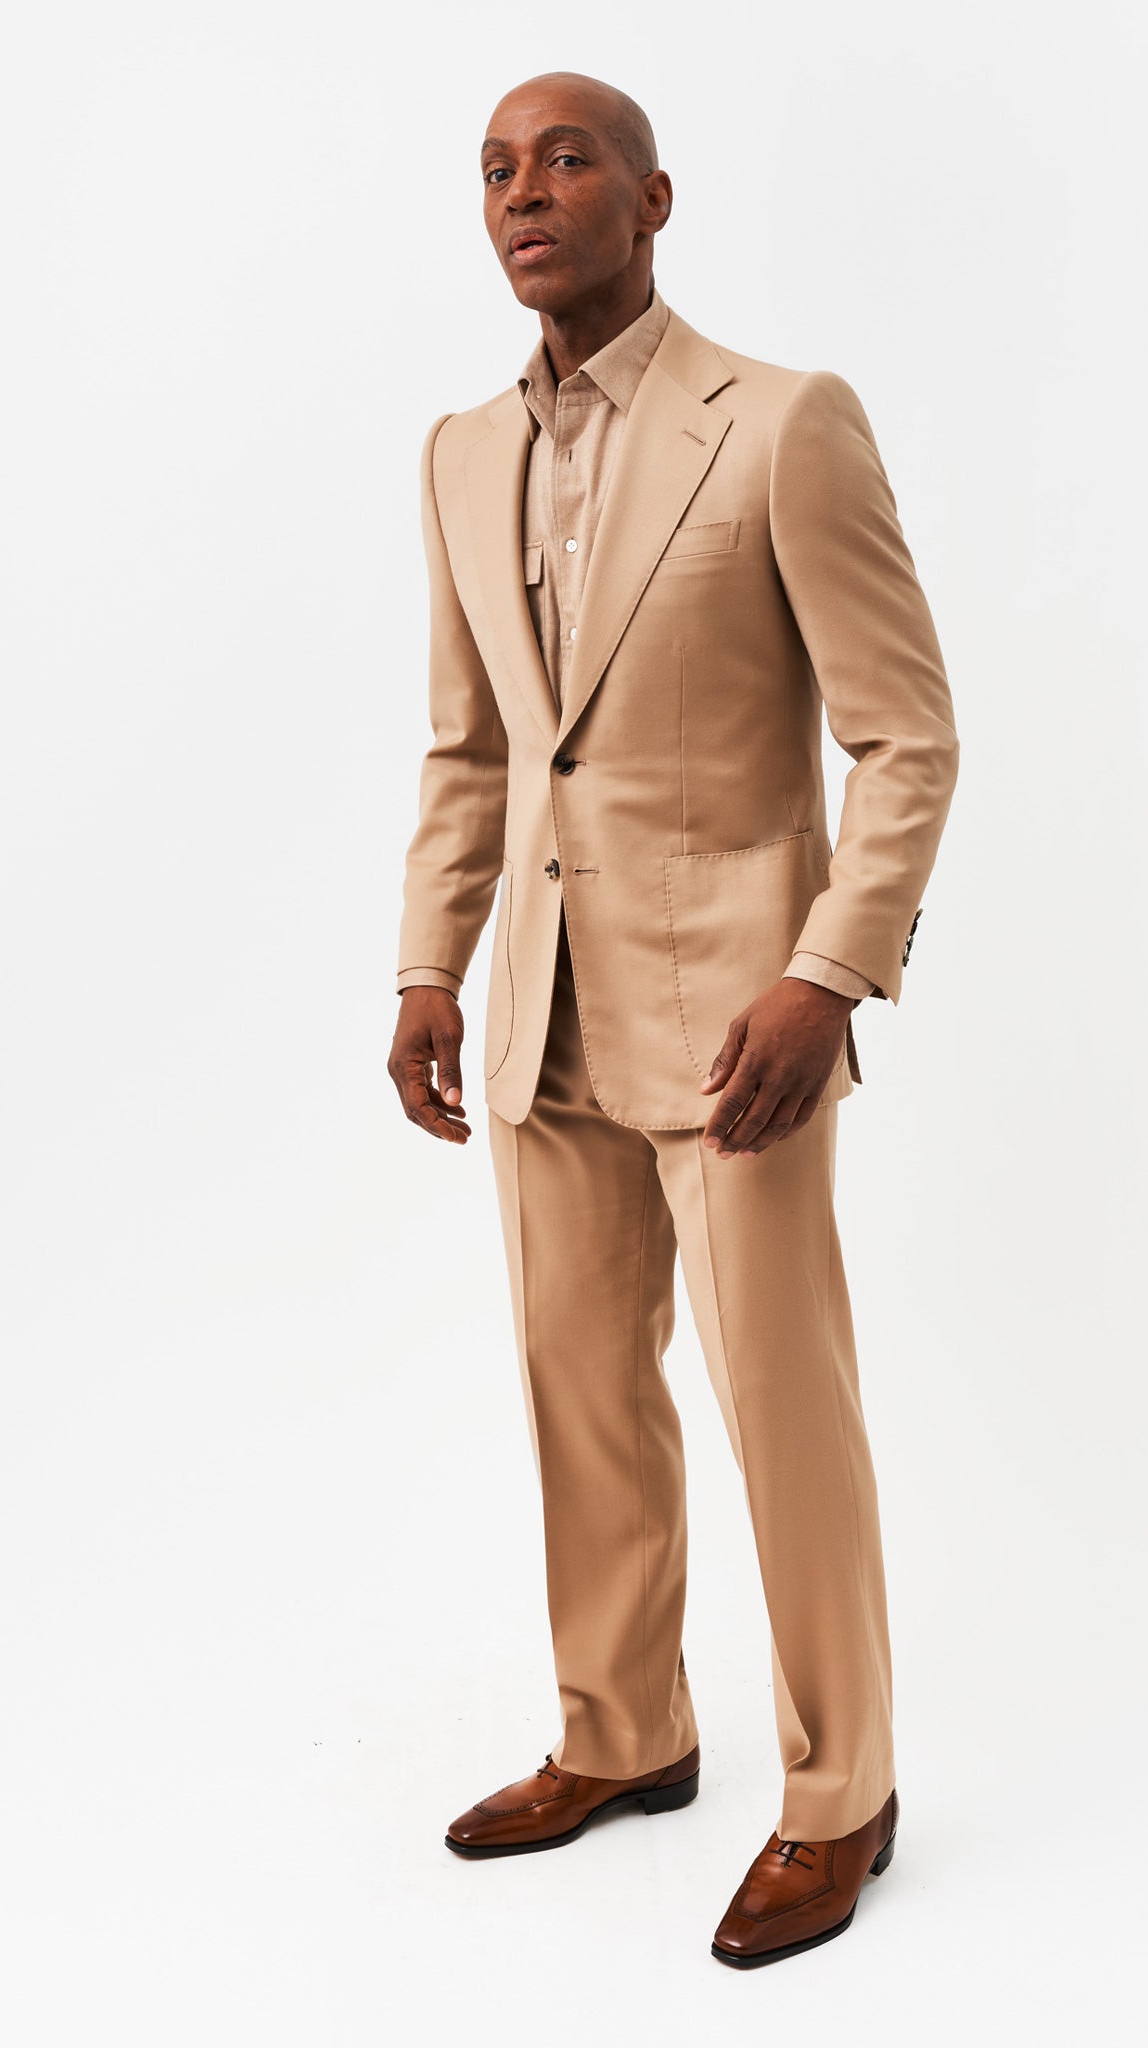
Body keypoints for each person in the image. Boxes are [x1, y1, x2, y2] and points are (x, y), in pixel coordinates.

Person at [387, 70, 959, 1968]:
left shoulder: (783, 422)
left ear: (651, 197)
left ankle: (843, 1791)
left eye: (565, 159)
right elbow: (474, 750)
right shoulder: (461, 452)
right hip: (538, 1010)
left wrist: (828, 969)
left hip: (740, 1033)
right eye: (496, 168)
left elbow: (907, 734)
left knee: (783, 1405)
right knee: (581, 1394)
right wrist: (425, 966)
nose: (524, 192)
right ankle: (624, 1733)